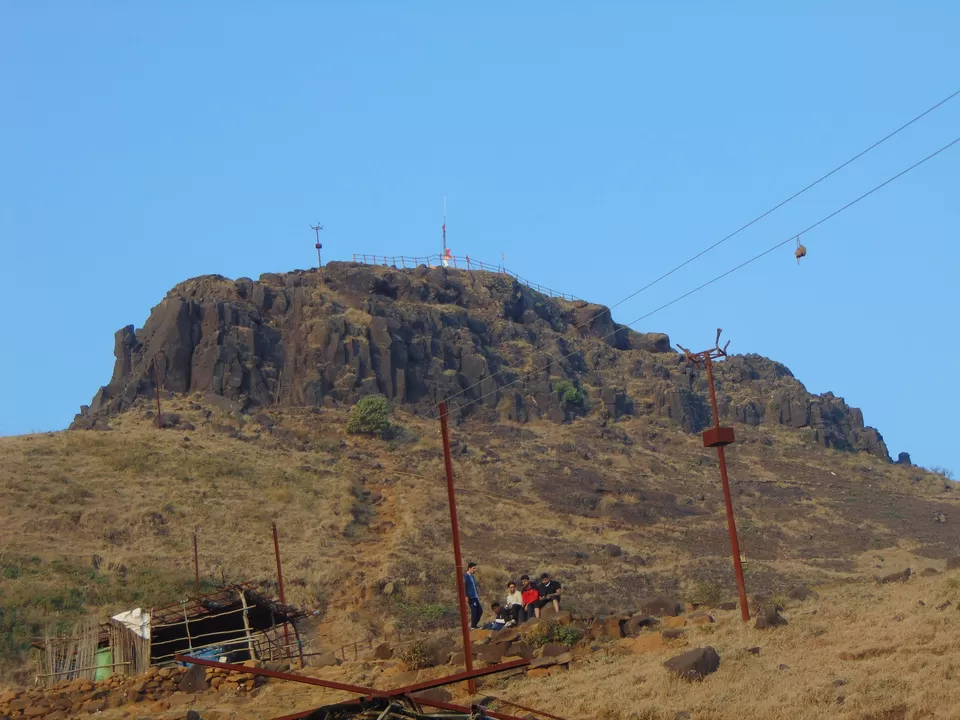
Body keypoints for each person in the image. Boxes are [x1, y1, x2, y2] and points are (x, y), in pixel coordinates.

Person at [464, 561, 482, 629]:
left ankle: (474, 625)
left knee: (480, 610)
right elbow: (464, 586)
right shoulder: (466, 576)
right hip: (471, 597)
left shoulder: (472, 576)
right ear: (469, 568)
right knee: (474, 611)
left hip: (475, 596)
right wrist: (466, 596)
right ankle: (473, 626)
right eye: (474, 568)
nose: (475, 570)